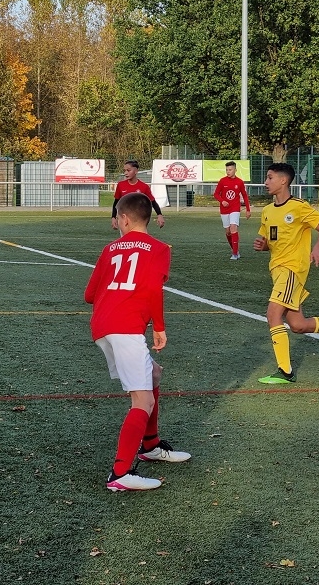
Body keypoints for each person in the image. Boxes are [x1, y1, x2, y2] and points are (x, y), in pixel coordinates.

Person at [85, 192, 191, 491]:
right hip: (125, 329)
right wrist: (159, 327)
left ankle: (151, 445)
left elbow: (89, 295)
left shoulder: (110, 248)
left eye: (117, 218)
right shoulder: (159, 248)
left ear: (124, 219)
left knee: (154, 373)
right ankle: (119, 475)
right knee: (142, 400)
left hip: (104, 325)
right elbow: (154, 289)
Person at [252, 162, 319, 384]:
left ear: (283, 180)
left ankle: (285, 372)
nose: (266, 182)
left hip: (292, 269)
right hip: (277, 270)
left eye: (270, 177)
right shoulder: (268, 211)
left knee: (272, 315)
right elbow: (271, 241)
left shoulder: (299, 206)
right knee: (298, 325)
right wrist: (264, 246)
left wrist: (317, 248)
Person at [213, 160, 251, 260]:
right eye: (227, 170)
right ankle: (235, 250)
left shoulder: (239, 182)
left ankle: (234, 254)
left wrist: (248, 209)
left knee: (233, 228)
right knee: (228, 232)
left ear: (235, 170)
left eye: (230, 170)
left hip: (235, 208)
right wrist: (222, 201)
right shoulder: (222, 181)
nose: (228, 172)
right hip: (224, 209)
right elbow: (216, 194)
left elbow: (245, 196)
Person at [111, 160, 164, 229]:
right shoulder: (121, 185)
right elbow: (116, 203)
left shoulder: (144, 187)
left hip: (139, 220)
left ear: (136, 171)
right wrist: (113, 217)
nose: (126, 173)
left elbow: (153, 202)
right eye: (124, 170)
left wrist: (159, 215)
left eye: (128, 170)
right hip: (124, 220)